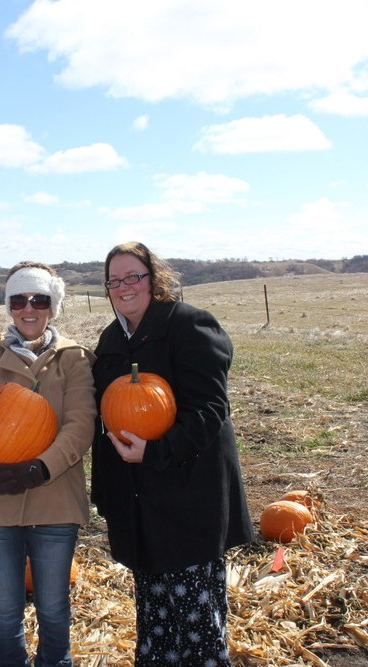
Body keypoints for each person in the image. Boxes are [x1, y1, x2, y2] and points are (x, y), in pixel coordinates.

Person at [90, 242, 253, 667]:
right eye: (115, 280)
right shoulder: (111, 339)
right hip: (140, 502)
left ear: (153, 279)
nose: (124, 287)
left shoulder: (188, 325)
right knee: (156, 625)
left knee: (197, 626)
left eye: (133, 277)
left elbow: (211, 410)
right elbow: (104, 416)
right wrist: (106, 494)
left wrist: (157, 450)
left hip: (188, 497)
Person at [0, 261, 96, 667]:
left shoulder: (73, 359)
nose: (29, 308)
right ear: (9, 307)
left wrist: (41, 467)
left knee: (53, 609)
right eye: (19, 300)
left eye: (39, 299)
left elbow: (80, 423)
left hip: (54, 499)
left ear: (52, 306)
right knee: (3, 611)